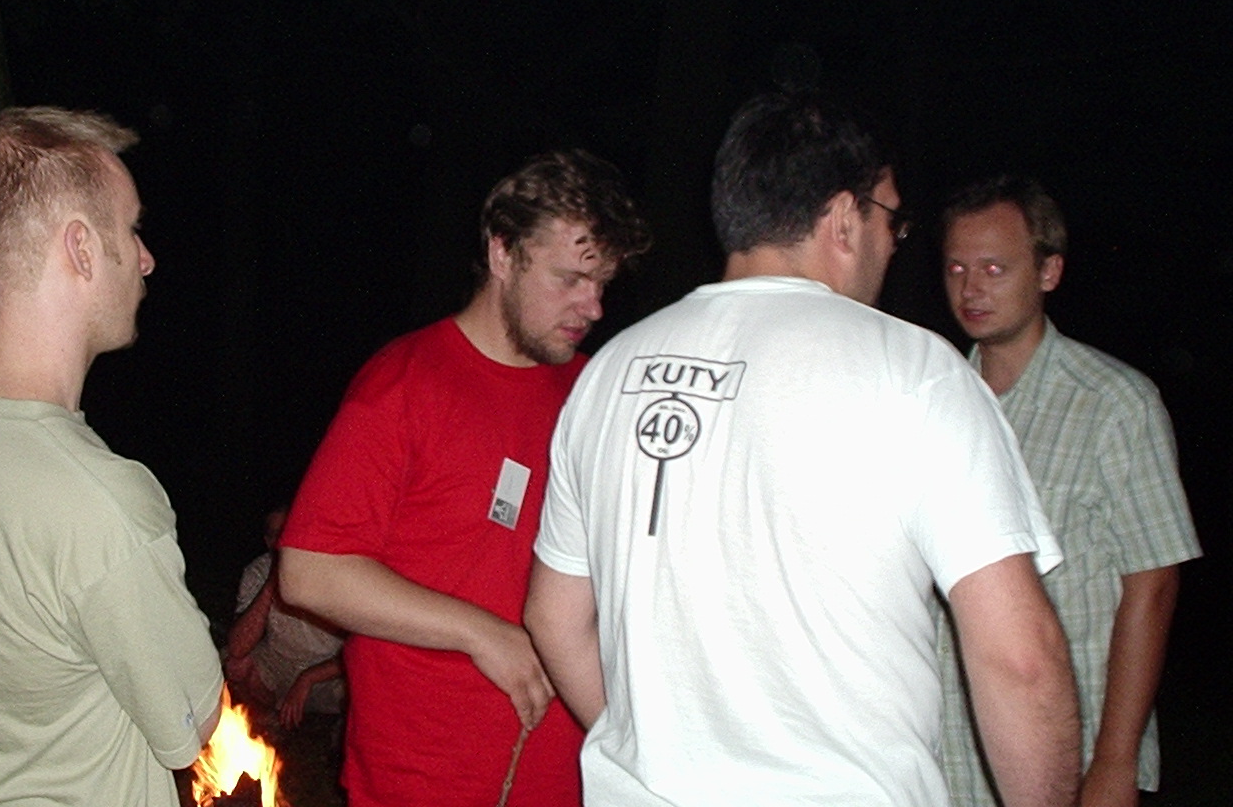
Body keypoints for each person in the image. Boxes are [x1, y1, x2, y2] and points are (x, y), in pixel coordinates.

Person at [526, 93, 1081, 807]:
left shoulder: (609, 373)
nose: (893, 244)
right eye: (892, 221)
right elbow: (1020, 659)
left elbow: (555, 617)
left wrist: (657, 759)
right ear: (845, 218)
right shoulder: (915, 372)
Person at [279, 150, 651, 807]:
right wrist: (482, 633)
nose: (593, 306)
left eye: (602, 283)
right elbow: (311, 572)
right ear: (503, 253)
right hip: (424, 777)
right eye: (569, 279)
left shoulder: (595, 391)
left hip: (572, 773)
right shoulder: (403, 384)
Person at [0, 107, 222, 807]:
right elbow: (193, 724)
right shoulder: (98, 499)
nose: (147, 257)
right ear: (81, 248)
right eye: (131, 228)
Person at [937, 177, 1200, 807]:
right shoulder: (934, 397)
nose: (970, 289)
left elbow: (1153, 585)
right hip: (945, 753)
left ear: (1048, 271)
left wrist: (1114, 761)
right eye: (956, 268)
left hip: (1066, 754)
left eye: (994, 268)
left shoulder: (1115, 403)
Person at [224, 506, 345, 728]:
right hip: (280, 664)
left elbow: (362, 646)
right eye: (276, 534)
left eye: (289, 530)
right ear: (268, 541)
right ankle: (269, 723)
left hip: (330, 670)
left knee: (372, 678)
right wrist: (273, 582)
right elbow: (238, 647)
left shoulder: (333, 569)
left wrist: (309, 677)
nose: (284, 540)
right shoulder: (258, 572)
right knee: (236, 665)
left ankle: (342, 732)